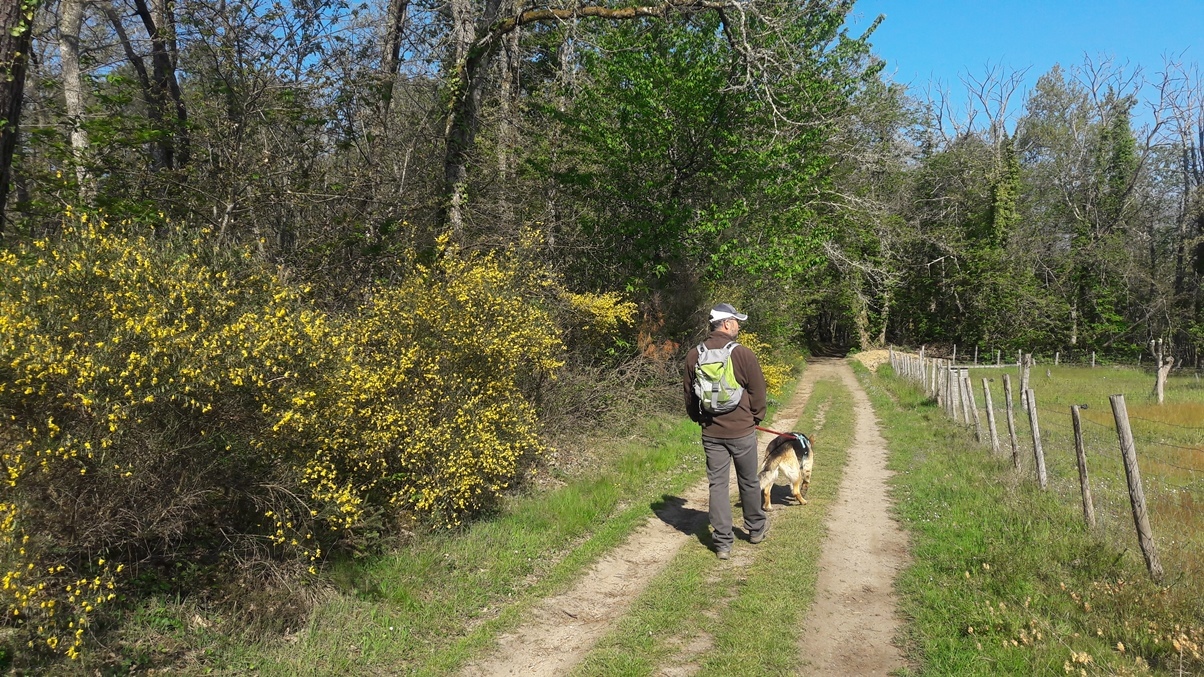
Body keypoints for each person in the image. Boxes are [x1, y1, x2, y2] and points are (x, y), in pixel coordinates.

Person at [683, 303, 769, 560]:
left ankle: (722, 544)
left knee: (718, 485)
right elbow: (758, 391)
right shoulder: (742, 354)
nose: (739, 327)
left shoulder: (693, 355)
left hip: (711, 433)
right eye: (736, 322)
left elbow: (689, 395)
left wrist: (700, 419)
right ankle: (755, 529)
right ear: (727, 324)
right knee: (749, 480)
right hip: (742, 431)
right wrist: (755, 418)